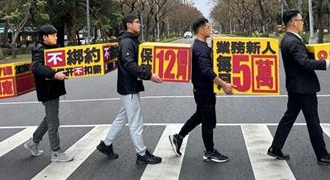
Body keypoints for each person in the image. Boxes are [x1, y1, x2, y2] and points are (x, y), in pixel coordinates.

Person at [268, 10, 330, 166]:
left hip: (295, 86)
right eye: (301, 20)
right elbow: (305, 63)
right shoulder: (293, 41)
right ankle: (322, 155)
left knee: (289, 117)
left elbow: (302, 59)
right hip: (304, 88)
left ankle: (275, 148)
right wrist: (329, 62)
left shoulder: (287, 40)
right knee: (313, 122)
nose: (303, 22)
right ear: (292, 22)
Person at [96, 13, 163, 165]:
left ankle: (105, 144)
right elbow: (129, 64)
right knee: (136, 121)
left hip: (129, 86)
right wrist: (149, 75)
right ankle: (141, 154)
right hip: (129, 87)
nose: (140, 25)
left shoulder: (131, 40)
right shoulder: (127, 42)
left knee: (123, 117)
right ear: (128, 25)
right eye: (137, 22)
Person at [169, 18, 235, 163]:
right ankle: (209, 151)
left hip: (200, 89)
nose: (210, 28)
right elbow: (206, 70)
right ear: (201, 30)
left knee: (200, 115)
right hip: (204, 90)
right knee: (207, 120)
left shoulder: (201, 46)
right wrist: (223, 84)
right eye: (207, 26)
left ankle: (178, 137)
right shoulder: (201, 48)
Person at [24, 24, 74, 162]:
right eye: (53, 35)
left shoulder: (54, 48)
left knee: (49, 118)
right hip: (47, 90)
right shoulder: (39, 50)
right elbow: (36, 67)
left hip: (53, 88)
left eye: (56, 35)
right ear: (44, 37)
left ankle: (33, 142)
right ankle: (56, 152)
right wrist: (53, 74)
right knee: (53, 122)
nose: (56, 37)